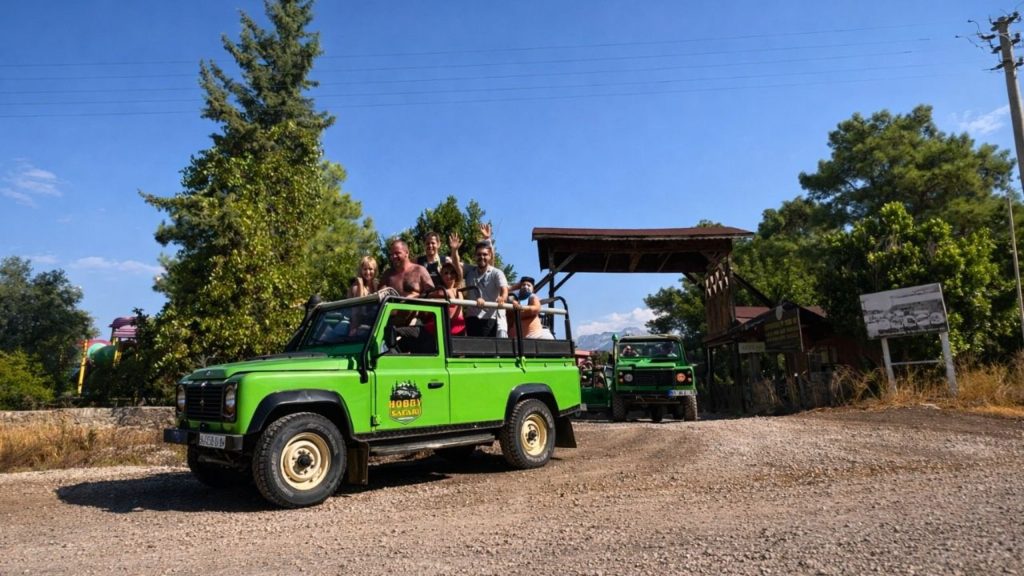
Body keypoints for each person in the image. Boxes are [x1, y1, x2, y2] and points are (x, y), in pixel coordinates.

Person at [463, 240, 508, 337]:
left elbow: (504, 290)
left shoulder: (497, 273)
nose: (482, 257)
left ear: (490, 256)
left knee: (487, 349)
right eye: (479, 254)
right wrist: (454, 250)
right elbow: (456, 267)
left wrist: (502, 298)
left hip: (489, 318)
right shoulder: (469, 272)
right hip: (471, 318)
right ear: (475, 256)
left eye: (485, 254)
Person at [430, 260, 466, 335]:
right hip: (443, 325)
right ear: (442, 276)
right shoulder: (439, 290)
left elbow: (458, 313)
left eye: (452, 272)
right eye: (446, 273)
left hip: (456, 326)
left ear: (456, 275)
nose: (449, 275)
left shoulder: (459, 291)